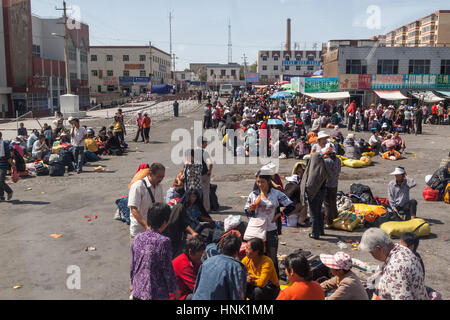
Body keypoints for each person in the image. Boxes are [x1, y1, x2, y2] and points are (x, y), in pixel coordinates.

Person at [245, 169, 295, 275]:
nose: (260, 184)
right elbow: (248, 213)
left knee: (272, 258)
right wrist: (251, 209)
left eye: (262, 181)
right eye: (258, 182)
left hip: (271, 230)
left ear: (268, 181)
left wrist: (279, 214)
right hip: (257, 231)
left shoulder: (276, 194)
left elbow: (291, 205)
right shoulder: (253, 195)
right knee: (258, 257)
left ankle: (274, 281)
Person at [359, 228, 429, 300]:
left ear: (379, 249)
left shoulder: (396, 268)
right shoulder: (401, 249)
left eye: (372, 253)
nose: (372, 256)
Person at [130, 203, 180, 300]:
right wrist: (175, 290)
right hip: (155, 293)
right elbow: (167, 269)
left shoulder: (138, 238)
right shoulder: (164, 241)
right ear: (165, 222)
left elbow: (133, 264)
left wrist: (132, 283)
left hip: (138, 290)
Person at [192, 233, 247, 300]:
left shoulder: (207, 262)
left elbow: (197, 288)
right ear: (237, 251)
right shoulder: (236, 268)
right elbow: (238, 295)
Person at [166, 188, 214, 257]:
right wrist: (193, 233)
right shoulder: (182, 208)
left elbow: (200, 217)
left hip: (197, 227)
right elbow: (184, 223)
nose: (193, 198)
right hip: (187, 231)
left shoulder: (196, 206)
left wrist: (213, 220)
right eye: (191, 196)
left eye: (194, 196)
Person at [128, 163, 165, 243]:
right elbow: (134, 209)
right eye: (159, 177)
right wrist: (146, 226)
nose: (161, 179)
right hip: (139, 231)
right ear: (150, 174)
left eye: (162, 177)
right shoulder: (138, 186)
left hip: (154, 231)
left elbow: (161, 206)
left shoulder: (159, 187)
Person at [300, 146, 329, 240]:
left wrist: (308, 192)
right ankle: (321, 231)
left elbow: (309, 184)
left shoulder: (313, 170)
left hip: (314, 193)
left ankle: (314, 233)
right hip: (322, 191)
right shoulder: (323, 167)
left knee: (313, 213)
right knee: (319, 211)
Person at [284, 162, 308, 227]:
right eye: (298, 172)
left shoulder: (287, 185)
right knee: (304, 205)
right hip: (289, 209)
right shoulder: (297, 187)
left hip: (285, 208)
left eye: (300, 172)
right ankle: (301, 221)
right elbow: (299, 200)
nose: (299, 174)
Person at [323, 144, 341, 228]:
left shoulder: (326, 161)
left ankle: (329, 222)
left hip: (327, 185)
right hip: (335, 184)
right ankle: (335, 217)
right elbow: (339, 171)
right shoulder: (338, 160)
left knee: (327, 204)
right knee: (333, 202)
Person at [199, 137, 213, 213]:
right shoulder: (204, 152)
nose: (206, 144)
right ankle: (206, 209)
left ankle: (198, 208)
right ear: (202, 143)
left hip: (195, 175)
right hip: (204, 174)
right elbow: (210, 163)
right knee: (206, 192)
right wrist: (209, 171)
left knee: (196, 192)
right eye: (205, 143)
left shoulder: (192, 152)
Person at [0, 131, 13, 201]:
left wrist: (12, 165)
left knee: (1, 181)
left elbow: (8, 156)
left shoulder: (4, 144)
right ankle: (1, 197)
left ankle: (9, 191)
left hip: (3, 165)